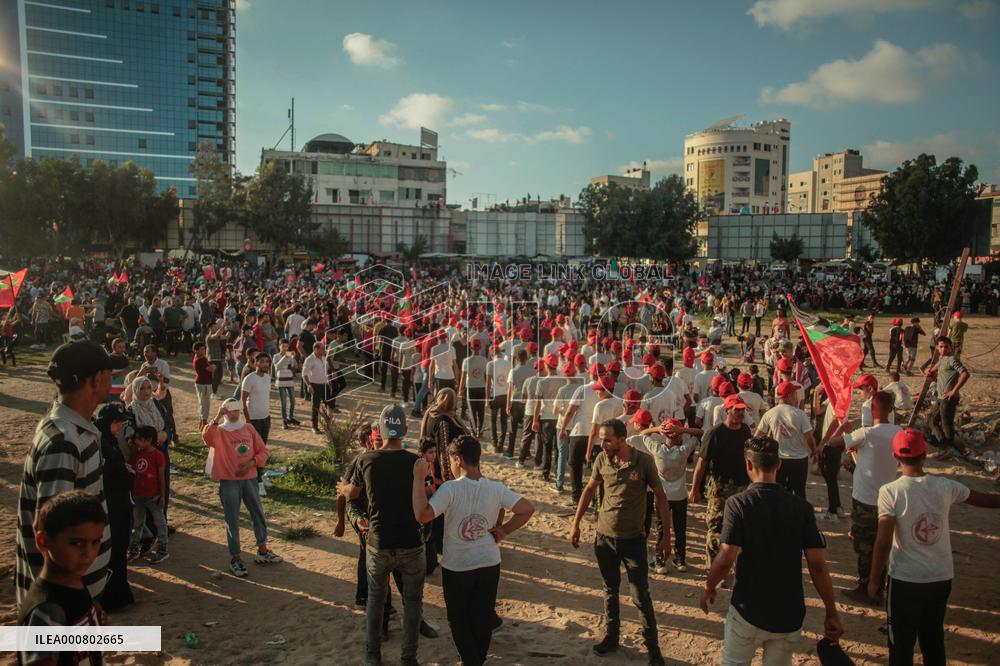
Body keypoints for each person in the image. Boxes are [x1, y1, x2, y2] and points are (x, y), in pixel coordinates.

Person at [699, 436, 844, 665]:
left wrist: (709, 586)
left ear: (748, 465)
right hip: (788, 614)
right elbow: (817, 565)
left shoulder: (738, 504)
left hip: (748, 608)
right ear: (779, 464)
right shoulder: (802, 508)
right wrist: (831, 610)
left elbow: (727, 557)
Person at [868, 429, 1000, 666]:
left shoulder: (890, 492)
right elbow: (984, 500)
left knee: (900, 643)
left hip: (905, 579)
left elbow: (884, 542)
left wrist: (874, 579)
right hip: (940, 577)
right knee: (933, 638)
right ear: (925, 455)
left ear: (895, 457)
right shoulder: (945, 486)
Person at [412, 435, 535, 666]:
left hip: (458, 566)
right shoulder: (495, 488)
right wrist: (504, 529)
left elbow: (422, 515)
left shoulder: (450, 489)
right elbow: (527, 509)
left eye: (450, 460)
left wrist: (419, 479)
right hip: (489, 562)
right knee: (481, 617)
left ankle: (471, 662)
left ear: (458, 460)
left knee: (459, 619)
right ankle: (475, 660)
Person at [16, 341, 112, 607]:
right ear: (95, 380)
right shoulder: (64, 442)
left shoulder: (74, 428)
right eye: (109, 375)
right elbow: (52, 531)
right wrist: (75, 603)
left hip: (77, 594)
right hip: (63, 604)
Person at [568, 418, 670, 665]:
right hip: (605, 539)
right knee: (609, 591)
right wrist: (576, 524)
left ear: (622, 440)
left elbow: (661, 498)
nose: (602, 443)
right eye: (602, 438)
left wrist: (666, 537)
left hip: (634, 541)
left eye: (607, 439)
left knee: (640, 596)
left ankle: (653, 649)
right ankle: (611, 638)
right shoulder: (602, 459)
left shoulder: (643, 462)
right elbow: (590, 489)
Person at [339, 404, 426, 666]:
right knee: (412, 603)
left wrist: (342, 487)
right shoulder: (416, 462)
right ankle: (408, 658)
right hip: (410, 542)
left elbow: (352, 495)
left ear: (381, 429)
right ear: (405, 430)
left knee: (375, 600)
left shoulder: (366, 460)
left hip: (379, 541)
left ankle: (372, 655)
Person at [823, 391, 901, 604]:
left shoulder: (867, 433)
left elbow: (832, 442)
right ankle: (879, 584)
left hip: (866, 499)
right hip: (888, 497)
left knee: (865, 544)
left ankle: (867, 586)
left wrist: (845, 430)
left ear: (873, 409)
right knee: (883, 542)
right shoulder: (899, 432)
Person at [17, 491, 108, 666]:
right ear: (43, 541)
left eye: (96, 542)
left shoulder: (73, 578)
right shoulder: (48, 610)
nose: (88, 554)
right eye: (77, 543)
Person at [202, 399, 281, 577]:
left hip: (250, 479)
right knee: (232, 520)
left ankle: (262, 551)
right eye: (229, 410)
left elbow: (263, 451)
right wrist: (216, 416)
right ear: (225, 412)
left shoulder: (249, 429)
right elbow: (206, 438)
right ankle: (235, 559)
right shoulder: (220, 431)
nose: (233, 414)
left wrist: (252, 463)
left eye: (237, 410)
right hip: (229, 481)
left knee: (257, 514)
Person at [689, 394, 752, 578]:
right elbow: (701, 463)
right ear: (727, 410)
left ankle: (733, 566)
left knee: (738, 528)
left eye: (742, 410)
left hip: (741, 487)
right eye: (737, 410)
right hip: (720, 488)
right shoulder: (715, 433)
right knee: (716, 527)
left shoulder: (746, 431)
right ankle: (712, 567)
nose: (741, 413)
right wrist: (694, 488)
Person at [638, 418, 697, 573]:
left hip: (662, 497)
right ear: (678, 436)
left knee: (661, 529)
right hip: (680, 496)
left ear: (665, 435)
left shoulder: (657, 450)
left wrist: (658, 429)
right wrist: (682, 430)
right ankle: (680, 560)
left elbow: (643, 433)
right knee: (680, 528)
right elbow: (700, 434)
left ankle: (660, 561)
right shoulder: (684, 451)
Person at [94, 403, 135, 611]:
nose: (120, 426)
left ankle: (120, 591)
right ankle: (112, 597)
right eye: (117, 422)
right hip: (111, 505)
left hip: (119, 502)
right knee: (114, 548)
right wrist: (124, 471)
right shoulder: (100, 444)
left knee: (120, 548)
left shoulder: (108, 441)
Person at [754, 382, 816, 499]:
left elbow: (757, 436)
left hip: (779, 459)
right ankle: (799, 516)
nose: (796, 397)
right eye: (795, 394)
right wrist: (814, 451)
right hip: (799, 460)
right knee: (799, 492)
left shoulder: (770, 413)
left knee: (779, 492)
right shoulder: (800, 414)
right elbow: (809, 438)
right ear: (790, 396)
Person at [126, 425, 169, 564]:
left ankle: (162, 550)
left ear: (149, 440)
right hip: (138, 495)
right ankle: (133, 550)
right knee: (137, 524)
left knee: (160, 523)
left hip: (153, 495)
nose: (137, 442)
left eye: (140, 439)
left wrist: (162, 496)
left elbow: (162, 477)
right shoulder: (137, 453)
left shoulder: (157, 455)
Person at [924, 336, 971, 459]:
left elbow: (965, 374)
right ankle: (944, 445)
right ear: (937, 348)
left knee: (947, 425)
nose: (943, 349)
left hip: (949, 399)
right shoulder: (942, 358)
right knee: (931, 420)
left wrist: (953, 391)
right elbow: (934, 368)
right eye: (941, 346)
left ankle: (950, 448)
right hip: (940, 397)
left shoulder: (952, 359)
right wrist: (929, 371)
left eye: (946, 346)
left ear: (950, 347)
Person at [485, 343, 511, 454]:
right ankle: (500, 445)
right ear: (500, 352)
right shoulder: (508, 364)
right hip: (505, 395)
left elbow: (488, 384)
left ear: (492, 354)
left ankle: (495, 444)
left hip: (494, 395)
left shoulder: (490, 364)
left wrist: (487, 399)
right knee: (504, 421)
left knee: (493, 420)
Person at [273, 339, 299, 429]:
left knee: (293, 401)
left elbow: (295, 367)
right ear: (279, 346)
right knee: (283, 402)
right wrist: (285, 357)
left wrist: (294, 358)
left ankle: (290, 418)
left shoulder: (290, 356)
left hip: (290, 381)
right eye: (283, 346)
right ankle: (284, 420)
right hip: (280, 382)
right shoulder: (276, 356)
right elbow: (277, 367)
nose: (285, 348)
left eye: (286, 346)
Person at [193, 341, 215, 428]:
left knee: (202, 403)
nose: (204, 350)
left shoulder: (199, 357)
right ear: (196, 350)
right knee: (205, 404)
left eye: (204, 348)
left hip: (202, 383)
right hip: (204, 384)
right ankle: (204, 424)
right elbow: (211, 369)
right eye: (202, 349)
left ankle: (201, 423)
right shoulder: (201, 360)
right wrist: (214, 367)